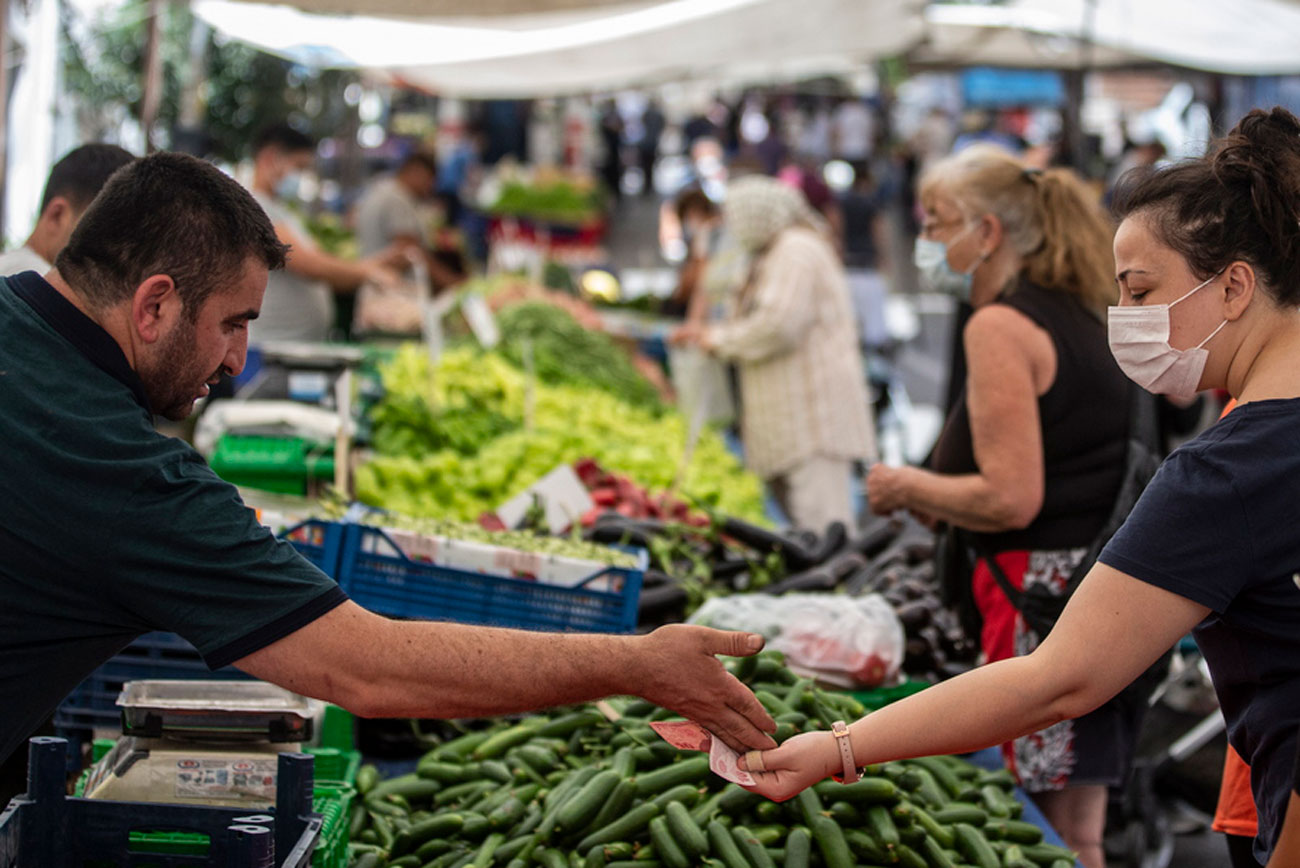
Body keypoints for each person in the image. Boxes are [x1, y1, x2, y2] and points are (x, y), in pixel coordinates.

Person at [0, 151, 780, 771]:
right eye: (233, 324)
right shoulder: (122, 474)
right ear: (155, 304)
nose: (238, 361)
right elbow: (368, 667)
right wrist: (637, 664)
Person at [741, 107, 1300, 868]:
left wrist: (841, 746)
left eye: (1140, 292)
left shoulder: (1227, 475)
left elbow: (1055, 681)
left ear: (1234, 285)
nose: (1125, 318)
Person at [860, 145, 1134, 865]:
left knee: (1037, 834)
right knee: (1080, 834)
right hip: (1096, 590)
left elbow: (1010, 497)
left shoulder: (1001, 328)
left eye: (937, 221)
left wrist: (906, 486)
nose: (925, 239)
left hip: (1037, 602)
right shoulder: (1082, 309)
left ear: (987, 234)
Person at [671, 176, 875, 532]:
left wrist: (716, 339)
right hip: (789, 421)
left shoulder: (796, 250)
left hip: (813, 420)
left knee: (825, 530)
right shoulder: (771, 251)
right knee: (803, 531)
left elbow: (778, 325)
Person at [248, 124, 404, 343]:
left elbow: (323, 261)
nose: (300, 176)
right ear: (270, 157)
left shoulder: (282, 210)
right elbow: (310, 265)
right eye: (299, 167)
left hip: (295, 347)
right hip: (274, 348)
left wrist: (374, 264)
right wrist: (369, 272)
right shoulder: (255, 209)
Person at [0, 143, 134, 274]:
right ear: (57, 215)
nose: (115, 254)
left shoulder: (12, 273)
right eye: (103, 235)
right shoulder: (39, 283)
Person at [353, 152, 464, 292]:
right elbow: (411, 251)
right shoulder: (397, 200)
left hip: (378, 286)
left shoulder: (381, 188)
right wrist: (453, 282)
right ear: (416, 171)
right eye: (430, 180)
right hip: (392, 291)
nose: (430, 187)